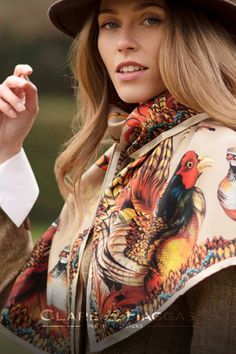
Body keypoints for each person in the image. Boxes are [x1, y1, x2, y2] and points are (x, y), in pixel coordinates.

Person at [0, 0, 235, 353]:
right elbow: (33, 308)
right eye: (109, 24)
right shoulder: (115, 167)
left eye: (151, 19)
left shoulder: (223, 160)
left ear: (197, 36)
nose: (123, 41)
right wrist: (7, 151)